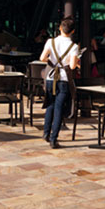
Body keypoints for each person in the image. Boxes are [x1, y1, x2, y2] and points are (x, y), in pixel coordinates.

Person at [39, 18, 81, 149]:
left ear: (60, 28)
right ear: (73, 31)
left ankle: (46, 133)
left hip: (51, 78)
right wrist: (76, 62)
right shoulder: (74, 46)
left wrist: (52, 62)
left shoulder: (50, 41)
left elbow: (42, 58)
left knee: (50, 105)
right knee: (59, 109)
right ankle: (53, 139)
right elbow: (73, 66)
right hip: (63, 79)